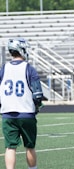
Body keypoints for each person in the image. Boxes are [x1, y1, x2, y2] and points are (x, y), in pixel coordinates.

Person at [0, 38, 43, 169]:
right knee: (30, 147)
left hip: (7, 113)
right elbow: (37, 94)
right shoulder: (29, 69)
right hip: (26, 112)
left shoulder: (3, 69)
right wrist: (37, 106)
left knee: (10, 147)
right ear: (21, 50)